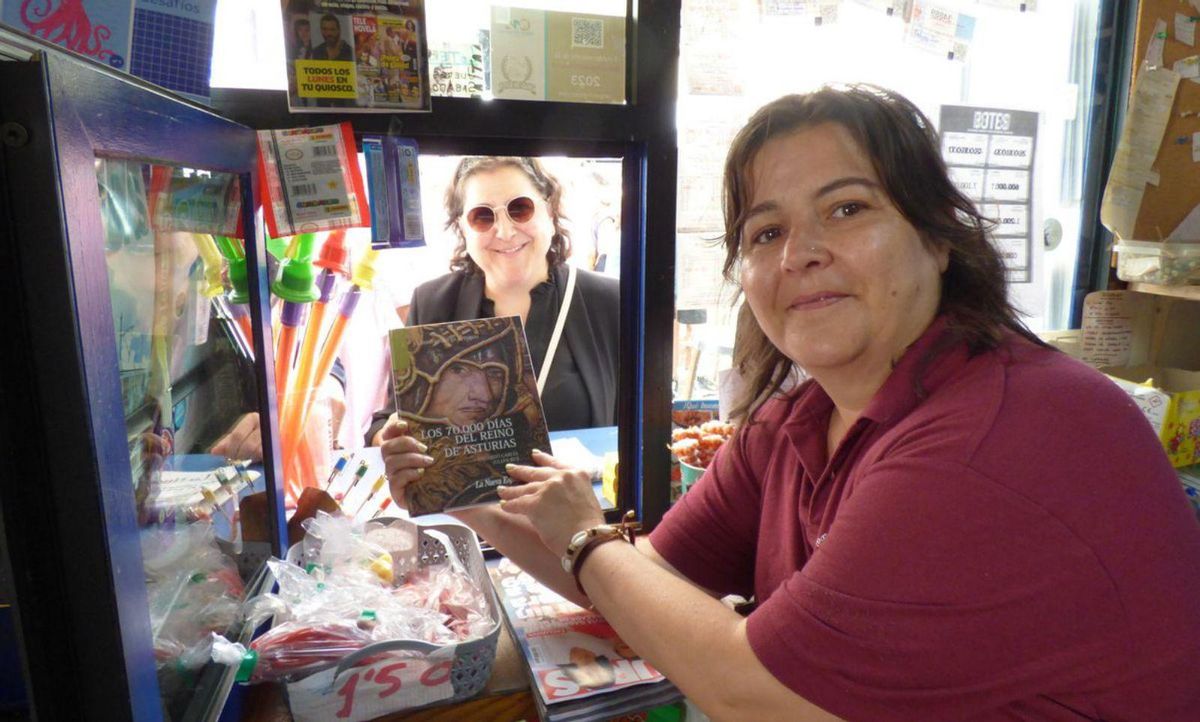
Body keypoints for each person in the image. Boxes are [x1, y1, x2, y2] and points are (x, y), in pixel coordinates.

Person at [383, 85, 1200, 720]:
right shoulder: (798, 421)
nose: (801, 254)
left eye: (847, 209)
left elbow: (753, 690)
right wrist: (482, 511)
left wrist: (590, 540)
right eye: (765, 233)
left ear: (939, 235)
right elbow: (646, 582)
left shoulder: (997, 436)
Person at [368, 156, 619, 450]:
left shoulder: (611, 303)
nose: (505, 231)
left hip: (583, 496)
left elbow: (644, 425)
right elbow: (388, 421)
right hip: (473, 496)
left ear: (550, 212)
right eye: (483, 216)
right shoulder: (431, 303)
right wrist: (390, 437)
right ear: (462, 227)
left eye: (520, 209)